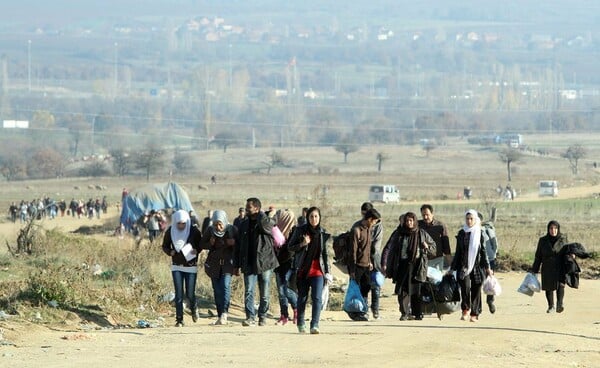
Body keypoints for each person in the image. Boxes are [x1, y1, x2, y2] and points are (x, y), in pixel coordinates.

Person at [234, 197, 279, 327]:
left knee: (264, 293)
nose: (246, 209)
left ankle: (263, 316)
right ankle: (250, 317)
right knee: (249, 291)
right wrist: (236, 265)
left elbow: (267, 227)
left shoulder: (266, 221)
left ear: (257, 209)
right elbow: (238, 246)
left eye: (249, 207)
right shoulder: (243, 224)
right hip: (248, 262)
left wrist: (262, 215)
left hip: (264, 262)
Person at [381, 212, 435, 321]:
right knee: (402, 291)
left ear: (414, 221)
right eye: (407, 221)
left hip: (417, 266)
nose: (409, 223)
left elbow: (433, 249)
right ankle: (404, 313)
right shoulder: (399, 234)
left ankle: (417, 313)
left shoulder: (421, 233)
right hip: (402, 266)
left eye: (411, 221)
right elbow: (391, 250)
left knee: (416, 291)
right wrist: (388, 265)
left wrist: (426, 247)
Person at [288, 206, 331, 334]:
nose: (314, 219)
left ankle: (315, 324)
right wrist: (302, 244)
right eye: (311, 216)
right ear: (308, 217)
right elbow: (290, 247)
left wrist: (328, 271)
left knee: (317, 297)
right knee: (302, 298)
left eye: (316, 216)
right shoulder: (300, 231)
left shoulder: (322, 233)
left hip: (318, 270)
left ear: (319, 218)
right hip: (303, 270)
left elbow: (325, 254)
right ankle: (301, 323)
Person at [449, 209, 492, 322]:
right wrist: (452, 268)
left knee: (476, 289)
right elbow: (458, 252)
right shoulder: (462, 233)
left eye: (471, 219)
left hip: (477, 266)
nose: (469, 221)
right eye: (467, 219)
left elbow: (483, 252)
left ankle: (475, 313)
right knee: (465, 287)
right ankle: (465, 309)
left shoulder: (480, 233)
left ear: (475, 219)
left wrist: (488, 267)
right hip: (464, 266)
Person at [161, 210, 202, 327]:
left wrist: (197, 250)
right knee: (179, 293)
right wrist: (170, 251)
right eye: (178, 223)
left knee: (190, 293)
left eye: (183, 223)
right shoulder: (171, 231)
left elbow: (201, 243)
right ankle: (179, 319)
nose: (181, 226)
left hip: (190, 266)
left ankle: (194, 308)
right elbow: (164, 246)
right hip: (176, 266)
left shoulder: (193, 231)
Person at [200, 210, 238, 325]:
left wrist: (234, 243)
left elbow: (241, 245)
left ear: (225, 222)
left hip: (227, 264)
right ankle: (219, 313)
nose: (218, 227)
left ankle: (225, 313)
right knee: (217, 290)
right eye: (216, 224)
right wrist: (209, 244)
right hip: (214, 265)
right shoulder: (210, 230)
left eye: (220, 224)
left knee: (225, 287)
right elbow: (201, 244)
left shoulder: (232, 230)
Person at [346, 208, 381, 321]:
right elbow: (353, 251)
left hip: (366, 265)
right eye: (374, 221)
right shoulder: (357, 230)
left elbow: (368, 248)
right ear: (370, 219)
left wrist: (370, 261)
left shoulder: (368, 229)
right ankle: (356, 312)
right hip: (357, 266)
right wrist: (352, 270)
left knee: (366, 288)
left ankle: (362, 310)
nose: (375, 223)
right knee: (357, 290)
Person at [531, 220, 569, 313]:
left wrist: (572, 256)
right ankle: (551, 306)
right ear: (548, 229)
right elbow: (538, 256)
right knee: (548, 287)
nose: (553, 230)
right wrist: (534, 269)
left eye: (555, 228)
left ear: (558, 229)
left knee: (561, 285)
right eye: (551, 228)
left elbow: (568, 252)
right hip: (547, 266)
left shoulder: (563, 239)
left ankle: (560, 304)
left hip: (560, 266)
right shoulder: (543, 240)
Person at [273, 209, 299, 325]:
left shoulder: (295, 232)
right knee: (281, 291)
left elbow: (292, 251)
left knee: (287, 290)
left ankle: (297, 309)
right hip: (278, 265)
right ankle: (284, 315)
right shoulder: (275, 231)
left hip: (290, 265)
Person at [360, 202, 384, 320]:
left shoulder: (378, 226)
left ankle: (375, 310)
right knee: (364, 286)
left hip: (374, 260)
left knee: (375, 285)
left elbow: (376, 247)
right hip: (362, 260)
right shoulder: (359, 225)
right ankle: (364, 310)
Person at [419, 204, 451, 269]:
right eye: (423, 215)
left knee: (437, 279)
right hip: (422, 260)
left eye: (427, 215)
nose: (425, 217)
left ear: (432, 214)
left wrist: (450, 264)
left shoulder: (440, 226)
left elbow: (446, 245)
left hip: (437, 259)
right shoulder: (418, 226)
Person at [478, 212, 499, 314]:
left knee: (489, 281)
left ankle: (490, 301)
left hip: (489, 259)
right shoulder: (468, 231)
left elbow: (494, 244)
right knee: (477, 283)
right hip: (476, 261)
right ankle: (477, 306)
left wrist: (493, 255)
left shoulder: (487, 230)